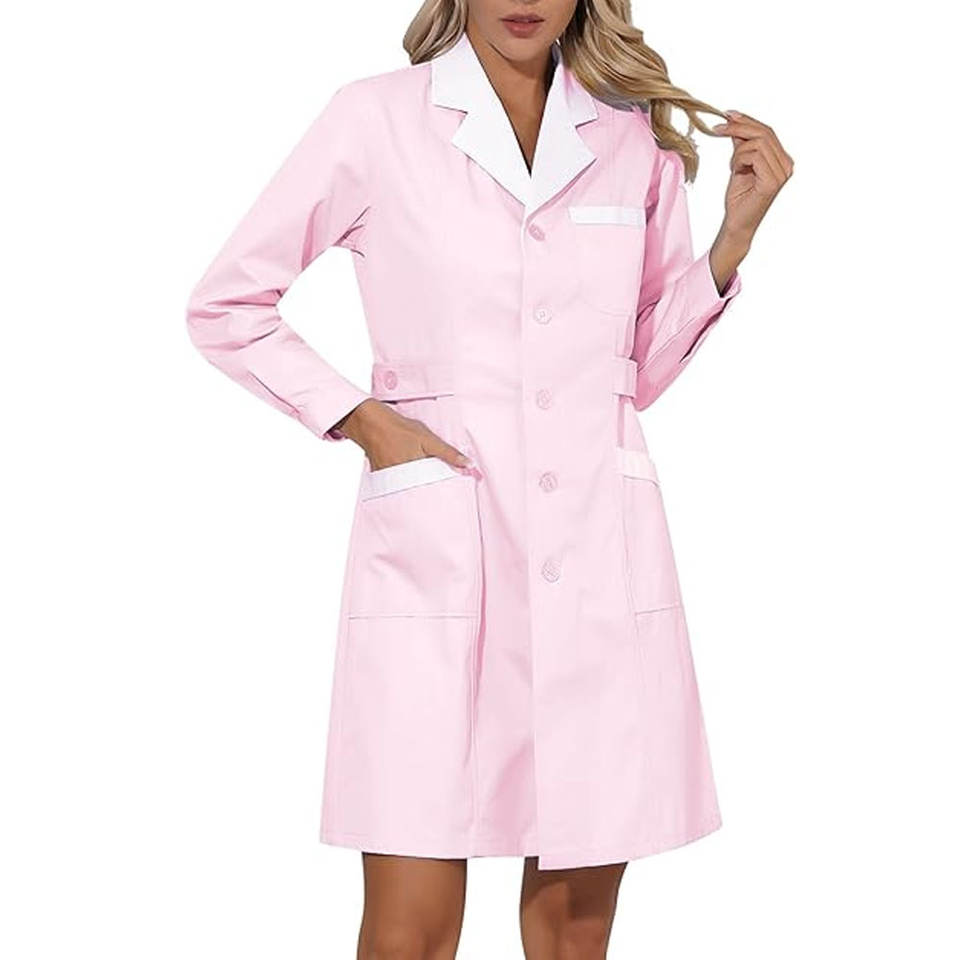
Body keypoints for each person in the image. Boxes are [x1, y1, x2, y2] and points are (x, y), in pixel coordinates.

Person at [185, 1, 792, 956]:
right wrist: (363, 419)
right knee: (410, 935)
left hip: (596, 556)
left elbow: (639, 370)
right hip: (439, 552)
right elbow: (227, 304)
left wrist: (733, 239)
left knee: (572, 935)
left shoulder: (628, 135)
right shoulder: (375, 119)